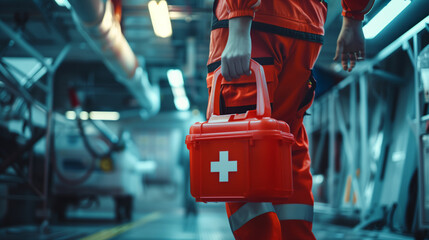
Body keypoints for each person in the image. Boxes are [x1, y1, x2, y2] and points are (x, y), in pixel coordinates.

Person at [205, 0, 374, 239]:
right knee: (285, 143)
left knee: (237, 148)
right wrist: (354, 17)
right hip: (308, 27)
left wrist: (240, 20)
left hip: (258, 21)